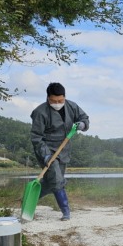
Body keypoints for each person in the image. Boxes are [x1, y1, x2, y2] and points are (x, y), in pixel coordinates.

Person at [30, 82, 89, 221]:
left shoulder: (72, 106)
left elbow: (85, 118)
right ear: (48, 98)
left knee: (53, 183)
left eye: (60, 100)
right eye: (54, 101)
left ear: (64, 97)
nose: (57, 103)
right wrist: (45, 155)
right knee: (57, 179)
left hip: (64, 150)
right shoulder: (40, 112)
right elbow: (36, 138)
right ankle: (66, 212)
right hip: (47, 151)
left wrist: (82, 124)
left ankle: (29, 198)